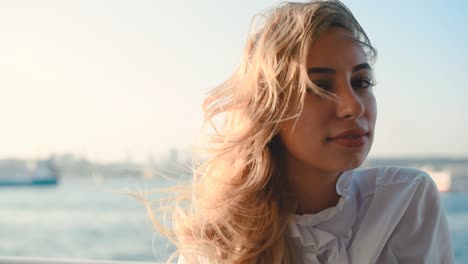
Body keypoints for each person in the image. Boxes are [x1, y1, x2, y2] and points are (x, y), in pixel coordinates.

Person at [147, 0, 454, 263]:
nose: (353, 107)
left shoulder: (405, 200)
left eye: (361, 82)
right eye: (320, 86)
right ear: (270, 107)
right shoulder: (222, 238)